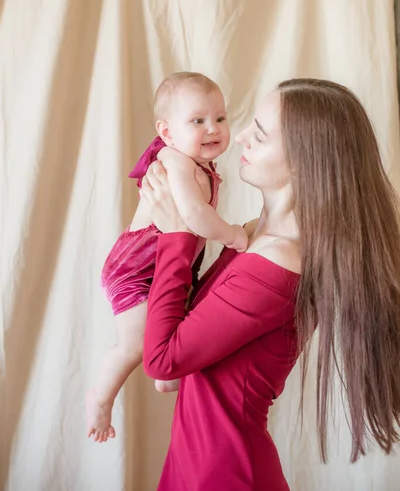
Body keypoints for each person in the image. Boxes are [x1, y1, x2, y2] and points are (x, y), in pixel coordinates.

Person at [141, 78, 400, 491]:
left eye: (258, 135)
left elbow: (162, 359)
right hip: (194, 463)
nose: (238, 136)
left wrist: (175, 235)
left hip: (226, 475)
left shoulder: (279, 264)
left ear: (301, 162)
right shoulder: (249, 235)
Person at [86, 72, 248, 443]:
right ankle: (100, 401)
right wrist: (234, 235)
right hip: (135, 268)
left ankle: (166, 374)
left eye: (219, 118)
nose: (213, 128)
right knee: (135, 343)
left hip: (166, 265)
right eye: (198, 120)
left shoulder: (198, 163)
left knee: (176, 329)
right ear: (167, 131)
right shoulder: (174, 160)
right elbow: (192, 216)